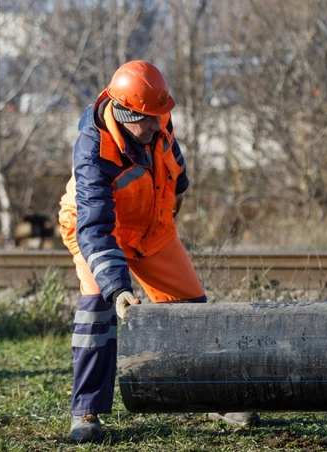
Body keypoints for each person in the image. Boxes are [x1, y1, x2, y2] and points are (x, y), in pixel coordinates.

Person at [58, 60, 260, 443]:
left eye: (161, 115)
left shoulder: (156, 119)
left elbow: (174, 160)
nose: (158, 124)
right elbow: (96, 228)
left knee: (191, 309)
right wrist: (118, 289)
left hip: (152, 228)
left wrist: (178, 190)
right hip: (98, 230)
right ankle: (86, 413)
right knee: (97, 312)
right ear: (124, 112)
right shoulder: (93, 152)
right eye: (149, 119)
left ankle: (211, 396)